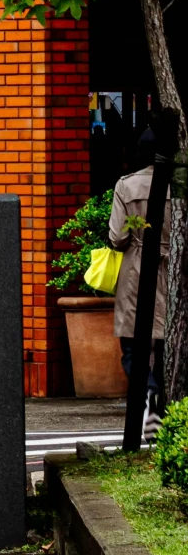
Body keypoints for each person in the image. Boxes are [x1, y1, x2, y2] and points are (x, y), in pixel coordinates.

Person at [110, 146, 167, 415]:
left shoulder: (127, 186)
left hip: (137, 270)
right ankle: (164, 402)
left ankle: (149, 392)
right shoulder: (178, 185)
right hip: (173, 268)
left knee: (133, 345)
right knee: (170, 343)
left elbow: (117, 238)